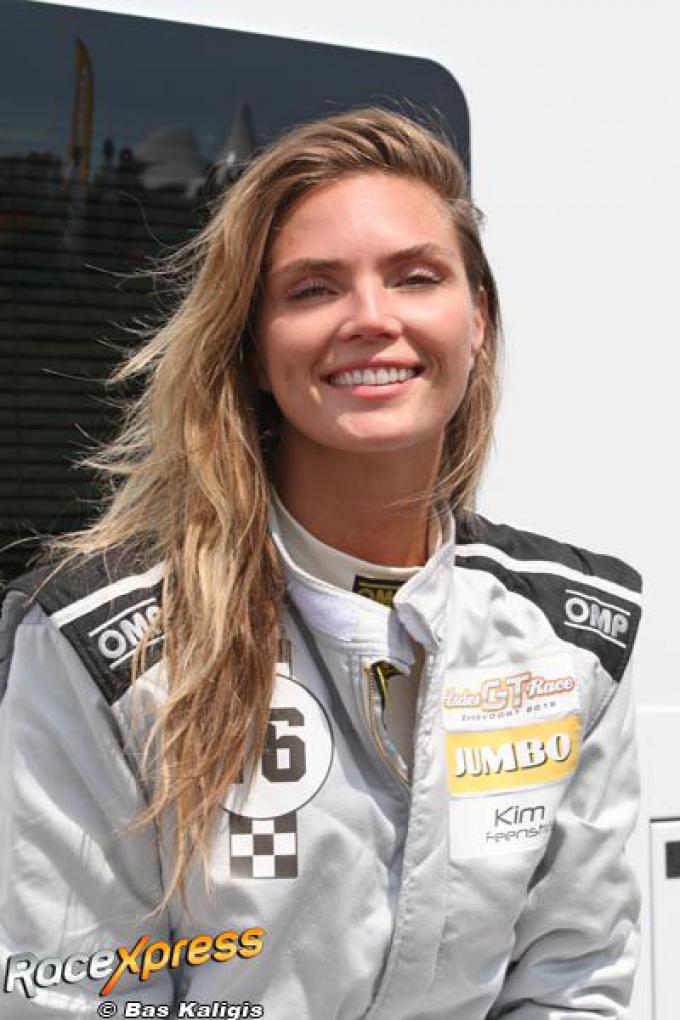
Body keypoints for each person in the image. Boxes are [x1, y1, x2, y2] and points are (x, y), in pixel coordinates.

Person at [0, 107, 642, 1019]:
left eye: (416, 277)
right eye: (313, 290)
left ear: (478, 320)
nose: (371, 319)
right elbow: (77, 996)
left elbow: (575, 979)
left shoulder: (570, 637)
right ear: (257, 351)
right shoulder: (107, 646)